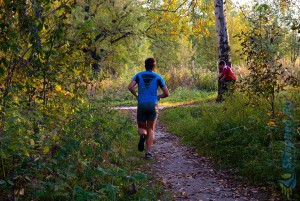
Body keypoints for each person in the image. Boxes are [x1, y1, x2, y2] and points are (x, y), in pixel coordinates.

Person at [128, 58, 170, 159]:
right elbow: (167, 93)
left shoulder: (138, 75)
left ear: (145, 65)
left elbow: (130, 87)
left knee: (142, 127)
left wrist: (137, 95)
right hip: (153, 104)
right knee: (150, 128)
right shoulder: (158, 77)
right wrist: (158, 97)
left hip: (142, 104)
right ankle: (148, 153)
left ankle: (143, 135)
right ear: (154, 66)